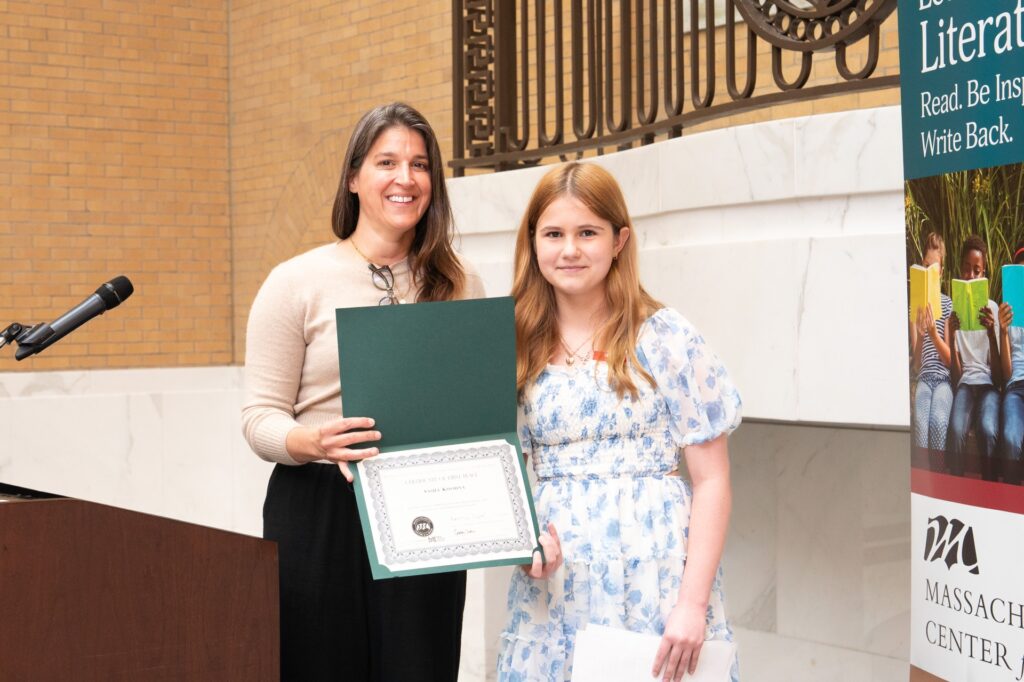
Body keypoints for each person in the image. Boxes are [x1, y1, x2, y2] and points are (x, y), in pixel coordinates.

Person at [242, 102, 486, 681]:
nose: (406, 179)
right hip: (321, 503)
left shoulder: (461, 281)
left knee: (418, 668)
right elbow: (258, 418)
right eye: (387, 162)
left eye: (420, 165)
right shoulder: (295, 281)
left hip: (429, 502)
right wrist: (309, 441)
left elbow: (477, 407)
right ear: (353, 178)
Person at [497, 162, 742, 682]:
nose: (570, 249)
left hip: (655, 580)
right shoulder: (512, 348)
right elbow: (500, 473)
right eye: (554, 234)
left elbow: (713, 479)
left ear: (619, 240)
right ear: (533, 242)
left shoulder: (666, 337)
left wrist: (691, 606)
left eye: (588, 232)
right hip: (555, 591)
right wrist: (522, 539)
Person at [947, 234, 1001, 480]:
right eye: (966, 269)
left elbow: (999, 377)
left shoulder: (993, 309)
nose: (970, 276)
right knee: (957, 429)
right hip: (966, 385)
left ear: (984, 273)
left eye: (976, 271)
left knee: (989, 429)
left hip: (989, 386)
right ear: (960, 270)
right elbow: (957, 376)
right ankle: (956, 493)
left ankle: (989, 494)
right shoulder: (954, 314)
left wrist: (991, 333)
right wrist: (952, 334)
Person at [909, 232, 953, 454]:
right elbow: (916, 365)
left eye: (934, 268)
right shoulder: (914, 308)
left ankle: (938, 477)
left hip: (944, 380)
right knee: (921, 424)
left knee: (938, 421)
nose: (929, 271)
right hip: (924, 378)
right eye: (925, 266)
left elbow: (950, 361)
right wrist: (921, 334)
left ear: (941, 273)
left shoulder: (947, 305)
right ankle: (923, 481)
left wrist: (935, 335)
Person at [998, 244, 1024, 485]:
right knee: (1011, 437)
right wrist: (1003, 331)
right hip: (1015, 387)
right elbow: (1007, 374)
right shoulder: (1009, 316)